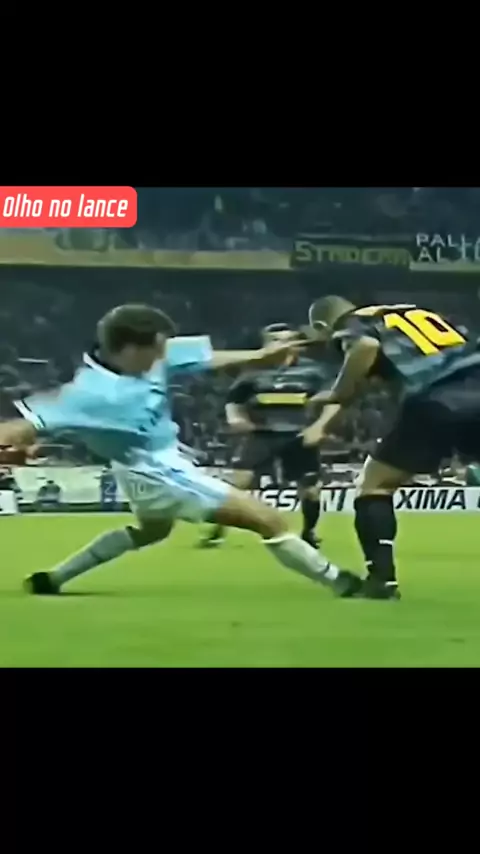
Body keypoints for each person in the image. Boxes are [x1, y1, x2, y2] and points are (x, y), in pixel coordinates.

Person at [0, 304, 360, 598]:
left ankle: (54, 578)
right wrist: (8, 452)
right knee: (270, 521)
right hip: (156, 470)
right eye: (158, 348)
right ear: (130, 349)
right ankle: (342, 583)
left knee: (152, 532)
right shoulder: (87, 394)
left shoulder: (152, 354)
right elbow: (15, 429)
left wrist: (261, 356)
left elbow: (209, 358)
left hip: (143, 466)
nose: (164, 354)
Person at [307, 295, 480, 600]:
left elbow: (365, 347)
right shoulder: (418, 311)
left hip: (437, 396)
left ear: (322, 325)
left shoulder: (353, 324)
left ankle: (381, 580)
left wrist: (337, 393)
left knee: (375, 485)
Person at [199, 322, 341, 550]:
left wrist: (320, 427)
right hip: (261, 434)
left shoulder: (315, 371)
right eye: (275, 340)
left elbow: (334, 401)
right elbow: (234, 400)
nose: (281, 344)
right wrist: (235, 418)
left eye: (287, 340)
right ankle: (216, 532)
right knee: (238, 483)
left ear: (297, 344)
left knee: (310, 490)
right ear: (266, 344)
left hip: (299, 435)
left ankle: (309, 532)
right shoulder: (253, 371)